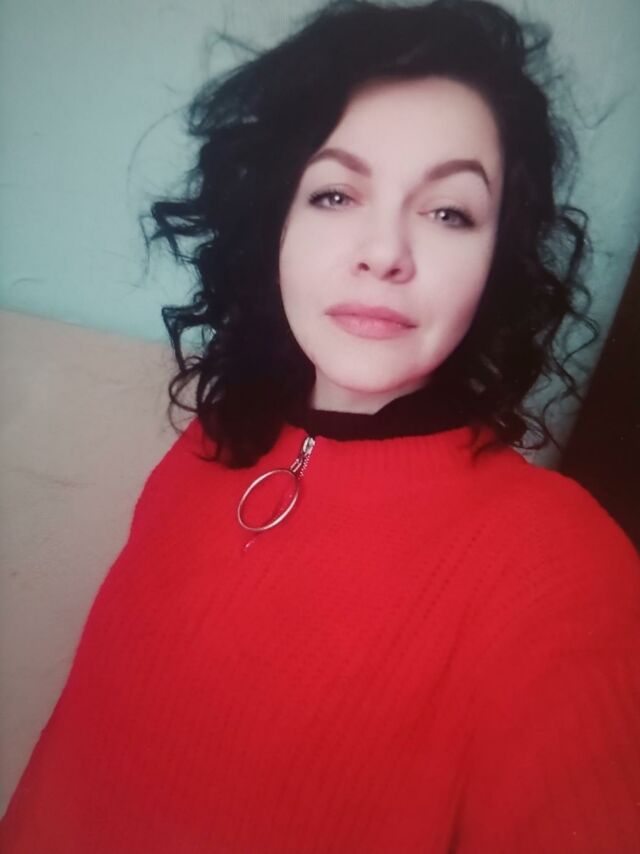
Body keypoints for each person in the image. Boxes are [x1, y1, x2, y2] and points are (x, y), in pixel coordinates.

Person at [2, 0, 639, 851]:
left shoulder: (561, 566)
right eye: (335, 193)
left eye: (449, 212)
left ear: (499, 259)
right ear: (276, 223)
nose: (385, 253)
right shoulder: (209, 443)